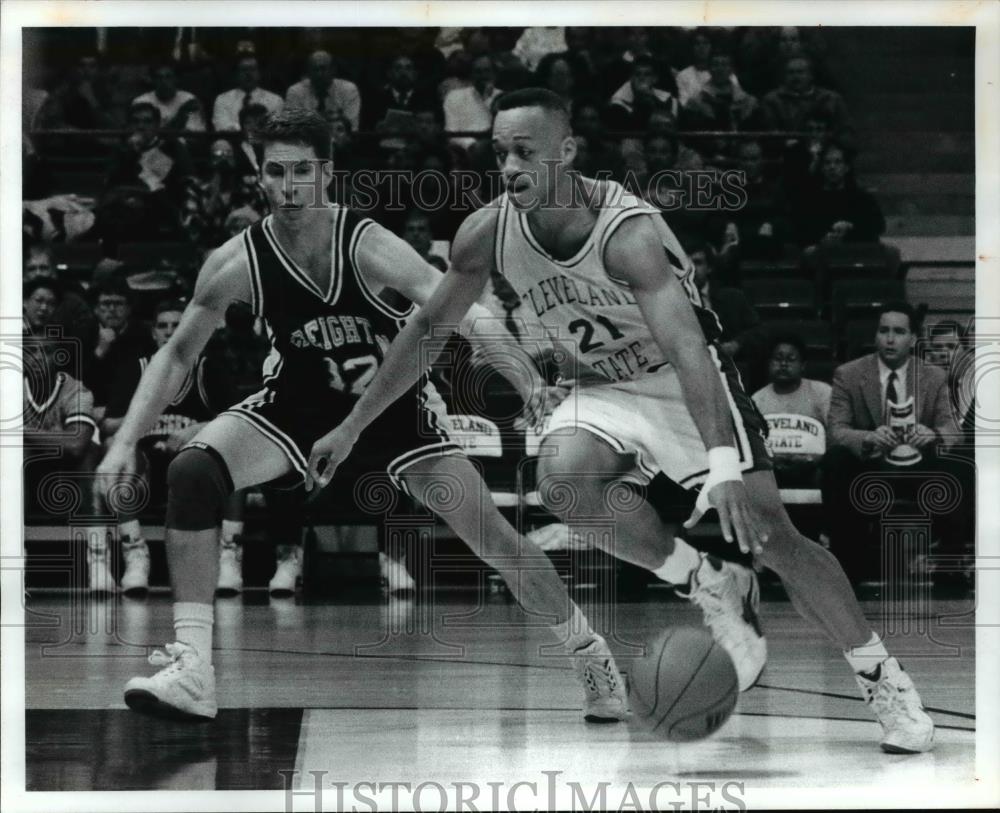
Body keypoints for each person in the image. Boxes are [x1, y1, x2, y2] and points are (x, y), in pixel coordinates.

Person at [309, 89, 936, 754]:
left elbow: (688, 349)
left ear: (567, 152)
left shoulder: (628, 232)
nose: (510, 166)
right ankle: (708, 581)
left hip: (678, 379)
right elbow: (430, 327)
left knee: (770, 536)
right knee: (564, 483)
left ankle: (882, 678)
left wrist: (723, 464)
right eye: (499, 153)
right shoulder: (486, 230)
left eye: (526, 151)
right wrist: (353, 423)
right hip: (598, 385)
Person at [97, 110, 627, 724]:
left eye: (303, 170)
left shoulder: (367, 243)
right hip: (297, 405)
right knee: (193, 471)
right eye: (276, 170)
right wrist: (124, 442)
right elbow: (178, 353)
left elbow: (465, 309)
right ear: (258, 174)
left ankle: (589, 651)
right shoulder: (235, 261)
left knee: (497, 542)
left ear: (327, 173)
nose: (290, 185)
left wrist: (522, 375)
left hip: (393, 409)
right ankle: (192, 665)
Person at [100, 299, 244, 594]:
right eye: (162, 326)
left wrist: (198, 429)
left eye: (176, 326)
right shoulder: (138, 368)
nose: (169, 332)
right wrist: (145, 416)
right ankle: (135, 552)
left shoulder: (209, 369)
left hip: (196, 464)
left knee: (236, 451)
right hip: (147, 465)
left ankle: (230, 552)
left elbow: (239, 420)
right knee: (115, 448)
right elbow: (109, 425)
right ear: (154, 334)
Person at [821, 302, 964, 582]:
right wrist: (867, 437)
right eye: (883, 330)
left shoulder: (934, 376)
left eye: (898, 332)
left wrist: (933, 435)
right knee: (836, 461)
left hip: (918, 464)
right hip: (870, 465)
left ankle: (951, 569)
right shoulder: (848, 374)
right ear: (875, 335)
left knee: (959, 466)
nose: (889, 338)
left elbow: (953, 428)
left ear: (912, 339)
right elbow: (836, 431)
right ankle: (849, 569)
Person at [752, 334, 831, 487]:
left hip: (814, 468)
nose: (783, 364)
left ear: (803, 365)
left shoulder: (822, 392)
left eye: (791, 359)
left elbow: (835, 435)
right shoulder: (757, 400)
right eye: (778, 358)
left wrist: (813, 459)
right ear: (768, 364)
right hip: (771, 471)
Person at [284, 50, 361, 131]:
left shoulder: (348, 89)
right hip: (306, 142)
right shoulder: (296, 91)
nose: (319, 74)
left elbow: (351, 128)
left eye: (323, 68)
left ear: (333, 70)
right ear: (308, 72)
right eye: (315, 69)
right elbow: (292, 129)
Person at [212, 54, 284, 133]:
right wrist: (251, 128)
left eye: (252, 69)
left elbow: (276, 127)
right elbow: (221, 126)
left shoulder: (275, 100)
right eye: (244, 69)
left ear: (260, 73)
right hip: (233, 142)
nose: (248, 74)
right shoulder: (222, 99)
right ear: (237, 73)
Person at [132, 61, 206, 132]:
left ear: (176, 79)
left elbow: (195, 133)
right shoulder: (141, 101)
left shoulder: (189, 99)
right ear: (153, 80)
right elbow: (142, 134)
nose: (163, 82)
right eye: (159, 77)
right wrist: (180, 116)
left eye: (168, 77)